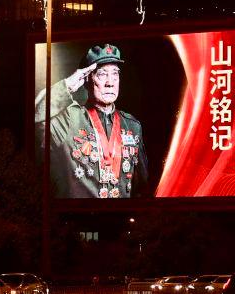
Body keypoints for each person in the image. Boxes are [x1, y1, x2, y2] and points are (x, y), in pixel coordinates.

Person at [34, 44, 149, 198]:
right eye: (102, 74)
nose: (110, 82)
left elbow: (142, 186)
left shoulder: (132, 126)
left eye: (115, 74)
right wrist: (68, 85)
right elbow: (36, 113)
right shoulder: (69, 119)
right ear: (87, 79)